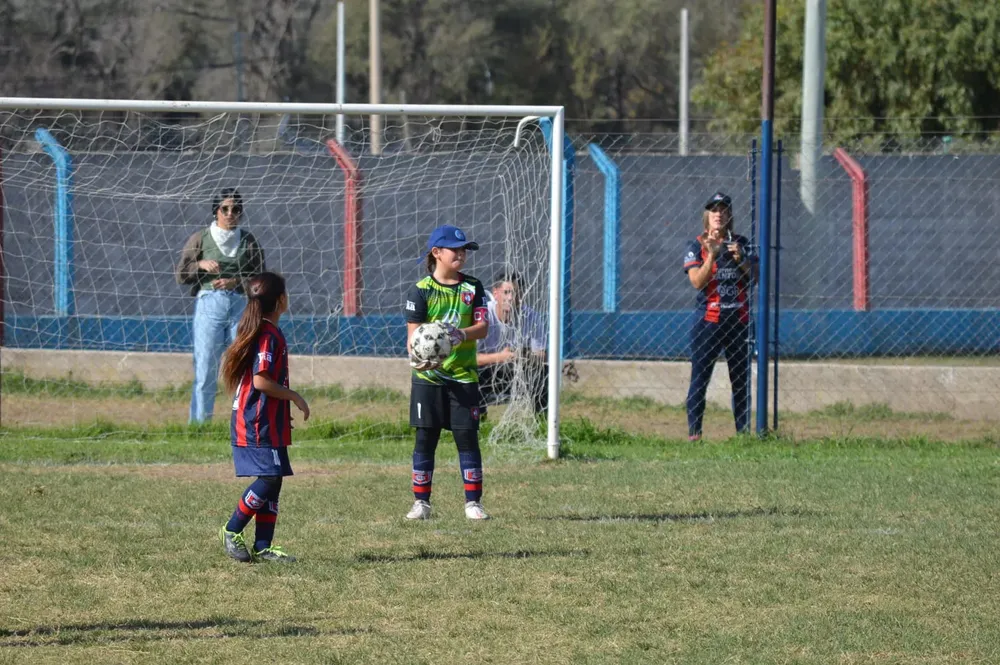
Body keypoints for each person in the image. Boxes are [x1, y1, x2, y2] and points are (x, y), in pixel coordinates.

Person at [218, 272, 310, 563]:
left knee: (275, 478)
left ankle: (263, 545)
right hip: (255, 420)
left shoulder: (266, 331)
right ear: (281, 300)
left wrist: (281, 412)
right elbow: (260, 382)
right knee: (269, 478)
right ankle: (232, 530)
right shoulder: (267, 335)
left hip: (267, 419)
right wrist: (293, 396)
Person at [404, 224, 490, 521]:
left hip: (464, 376)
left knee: (467, 438)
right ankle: (421, 503)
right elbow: (413, 339)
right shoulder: (421, 291)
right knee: (425, 439)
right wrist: (422, 358)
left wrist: (458, 335)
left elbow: (483, 327)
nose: (462, 254)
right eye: (456, 249)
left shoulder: (473, 287)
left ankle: (473, 503)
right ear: (436, 253)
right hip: (428, 380)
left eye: (465, 249)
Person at [176, 187, 266, 424]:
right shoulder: (200, 238)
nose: (230, 214)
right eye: (224, 209)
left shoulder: (248, 241)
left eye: (235, 209)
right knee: (206, 368)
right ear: (215, 211)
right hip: (209, 304)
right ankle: (199, 424)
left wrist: (237, 281)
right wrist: (200, 265)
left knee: (245, 364)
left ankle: (247, 422)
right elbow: (181, 274)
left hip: (240, 305)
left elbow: (261, 278)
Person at [683, 191, 757, 440]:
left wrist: (742, 260)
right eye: (714, 210)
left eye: (723, 210)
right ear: (707, 215)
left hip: (739, 322)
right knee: (700, 379)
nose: (719, 214)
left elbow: (754, 279)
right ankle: (695, 435)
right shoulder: (696, 245)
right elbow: (696, 282)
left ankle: (743, 435)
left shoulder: (742, 243)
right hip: (708, 323)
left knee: (741, 381)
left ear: (729, 215)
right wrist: (712, 254)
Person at [477, 270, 549, 414]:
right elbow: (469, 357)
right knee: (469, 372)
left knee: (544, 372)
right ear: (495, 293)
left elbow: (542, 354)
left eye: (516, 293)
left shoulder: (531, 317)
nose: (511, 298)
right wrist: (500, 357)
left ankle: (541, 420)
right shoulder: (482, 315)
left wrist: (525, 355)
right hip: (486, 370)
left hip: (516, 370)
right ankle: (477, 420)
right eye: (506, 292)